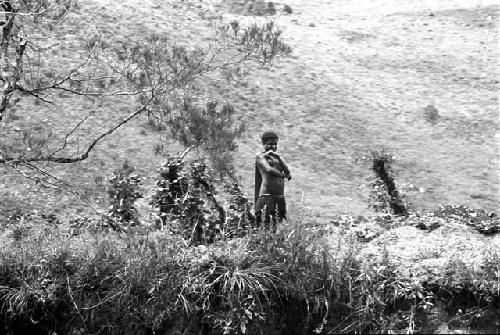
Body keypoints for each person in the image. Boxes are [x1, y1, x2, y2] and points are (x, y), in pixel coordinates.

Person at [254, 131, 291, 230]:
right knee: (266, 227)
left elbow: (287, 171)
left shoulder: (277, 158)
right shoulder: (260, 156)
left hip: (279, 198)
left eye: (275, 144)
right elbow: (268, 169)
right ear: (264, 144)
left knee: (276, 228)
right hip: (267, 197)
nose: (273, 147)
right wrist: (283, 175)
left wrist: (278, 156)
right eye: (270, 144)